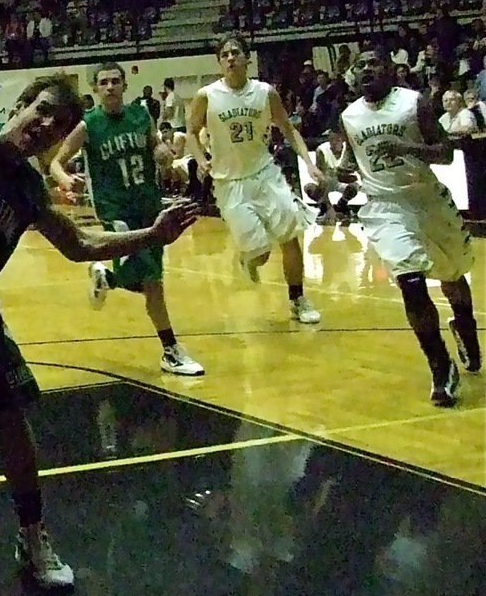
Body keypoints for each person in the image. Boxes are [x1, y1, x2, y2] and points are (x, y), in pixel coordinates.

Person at [0, 33, 198, 590]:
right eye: (42, 110)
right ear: (22, 105)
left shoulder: (27, 188)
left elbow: (81, 248)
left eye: (56, 123)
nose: (45, 125)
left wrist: (155, 233)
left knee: (12, 411)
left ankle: (32, 536)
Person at [340, 47, 479, 406]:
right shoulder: (348, 116)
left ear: (390, 70)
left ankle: (465, 326)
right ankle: (440, 366)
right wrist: (337, 176)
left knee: (452, 275)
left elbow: (445, 152)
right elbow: (348, 163)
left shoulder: (412, 103)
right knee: (411, 281)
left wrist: (406, 146)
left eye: (374, 62)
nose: (367, 68)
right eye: (361, 65)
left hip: (427, 200)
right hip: (386, 207)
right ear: (354, 74)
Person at [50, 62, 204, 376]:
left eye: (115, 81)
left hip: (149, 207)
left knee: (148, 280)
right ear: (95, 89)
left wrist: (162, 153)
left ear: (123, 85)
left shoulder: (140, 116)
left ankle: (108, 278)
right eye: (103, 82)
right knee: (153, 282)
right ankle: (171, 350)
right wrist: (64, 179)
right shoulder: (88, 125)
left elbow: (156, 144)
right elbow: (56, 161)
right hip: (116, 213)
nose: (110, 87)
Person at [187, 34, 324, 323]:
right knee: (260, 254)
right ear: (219, 62)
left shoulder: (265, 92)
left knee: (289, 233)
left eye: (236, 52)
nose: (230, 58)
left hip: (264, 174)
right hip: (229, 182)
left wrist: (309, 163)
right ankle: (247, 256)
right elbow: (191, 131)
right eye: (224, 54)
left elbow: (288, 128)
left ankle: (298, 299)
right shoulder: (207, 95)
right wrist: (201, 160)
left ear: (247, 58)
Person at [307, 128, 360, 223]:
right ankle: (325, 207)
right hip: (327, 179)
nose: (334, 142)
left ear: (342, 140)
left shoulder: (348, 149)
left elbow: (354, 170)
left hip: (342, 181)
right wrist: (328, 205)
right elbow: (320, 173)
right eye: (332, 140)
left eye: (337, 140)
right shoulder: (322, 150)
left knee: (355, 186)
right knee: (310, 188)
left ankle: (341, 205)